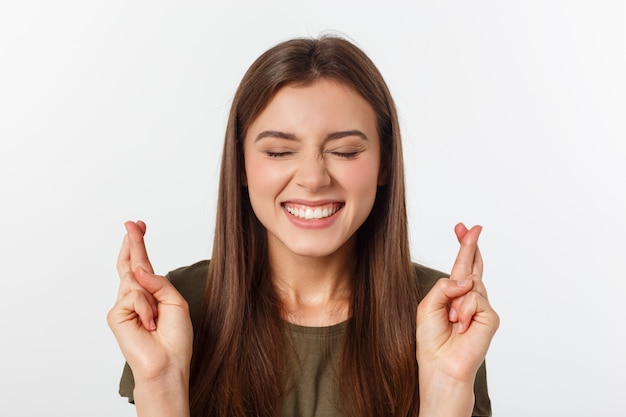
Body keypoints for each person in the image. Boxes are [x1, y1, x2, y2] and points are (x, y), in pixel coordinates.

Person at [108, 35, 499, 417]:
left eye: (344, 151)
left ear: (385, 164)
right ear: (241, 166)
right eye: (279, 151)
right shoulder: (180, 308)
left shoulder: (441, 314)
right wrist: (159, 382)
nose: (313, 178)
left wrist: (448, 385)